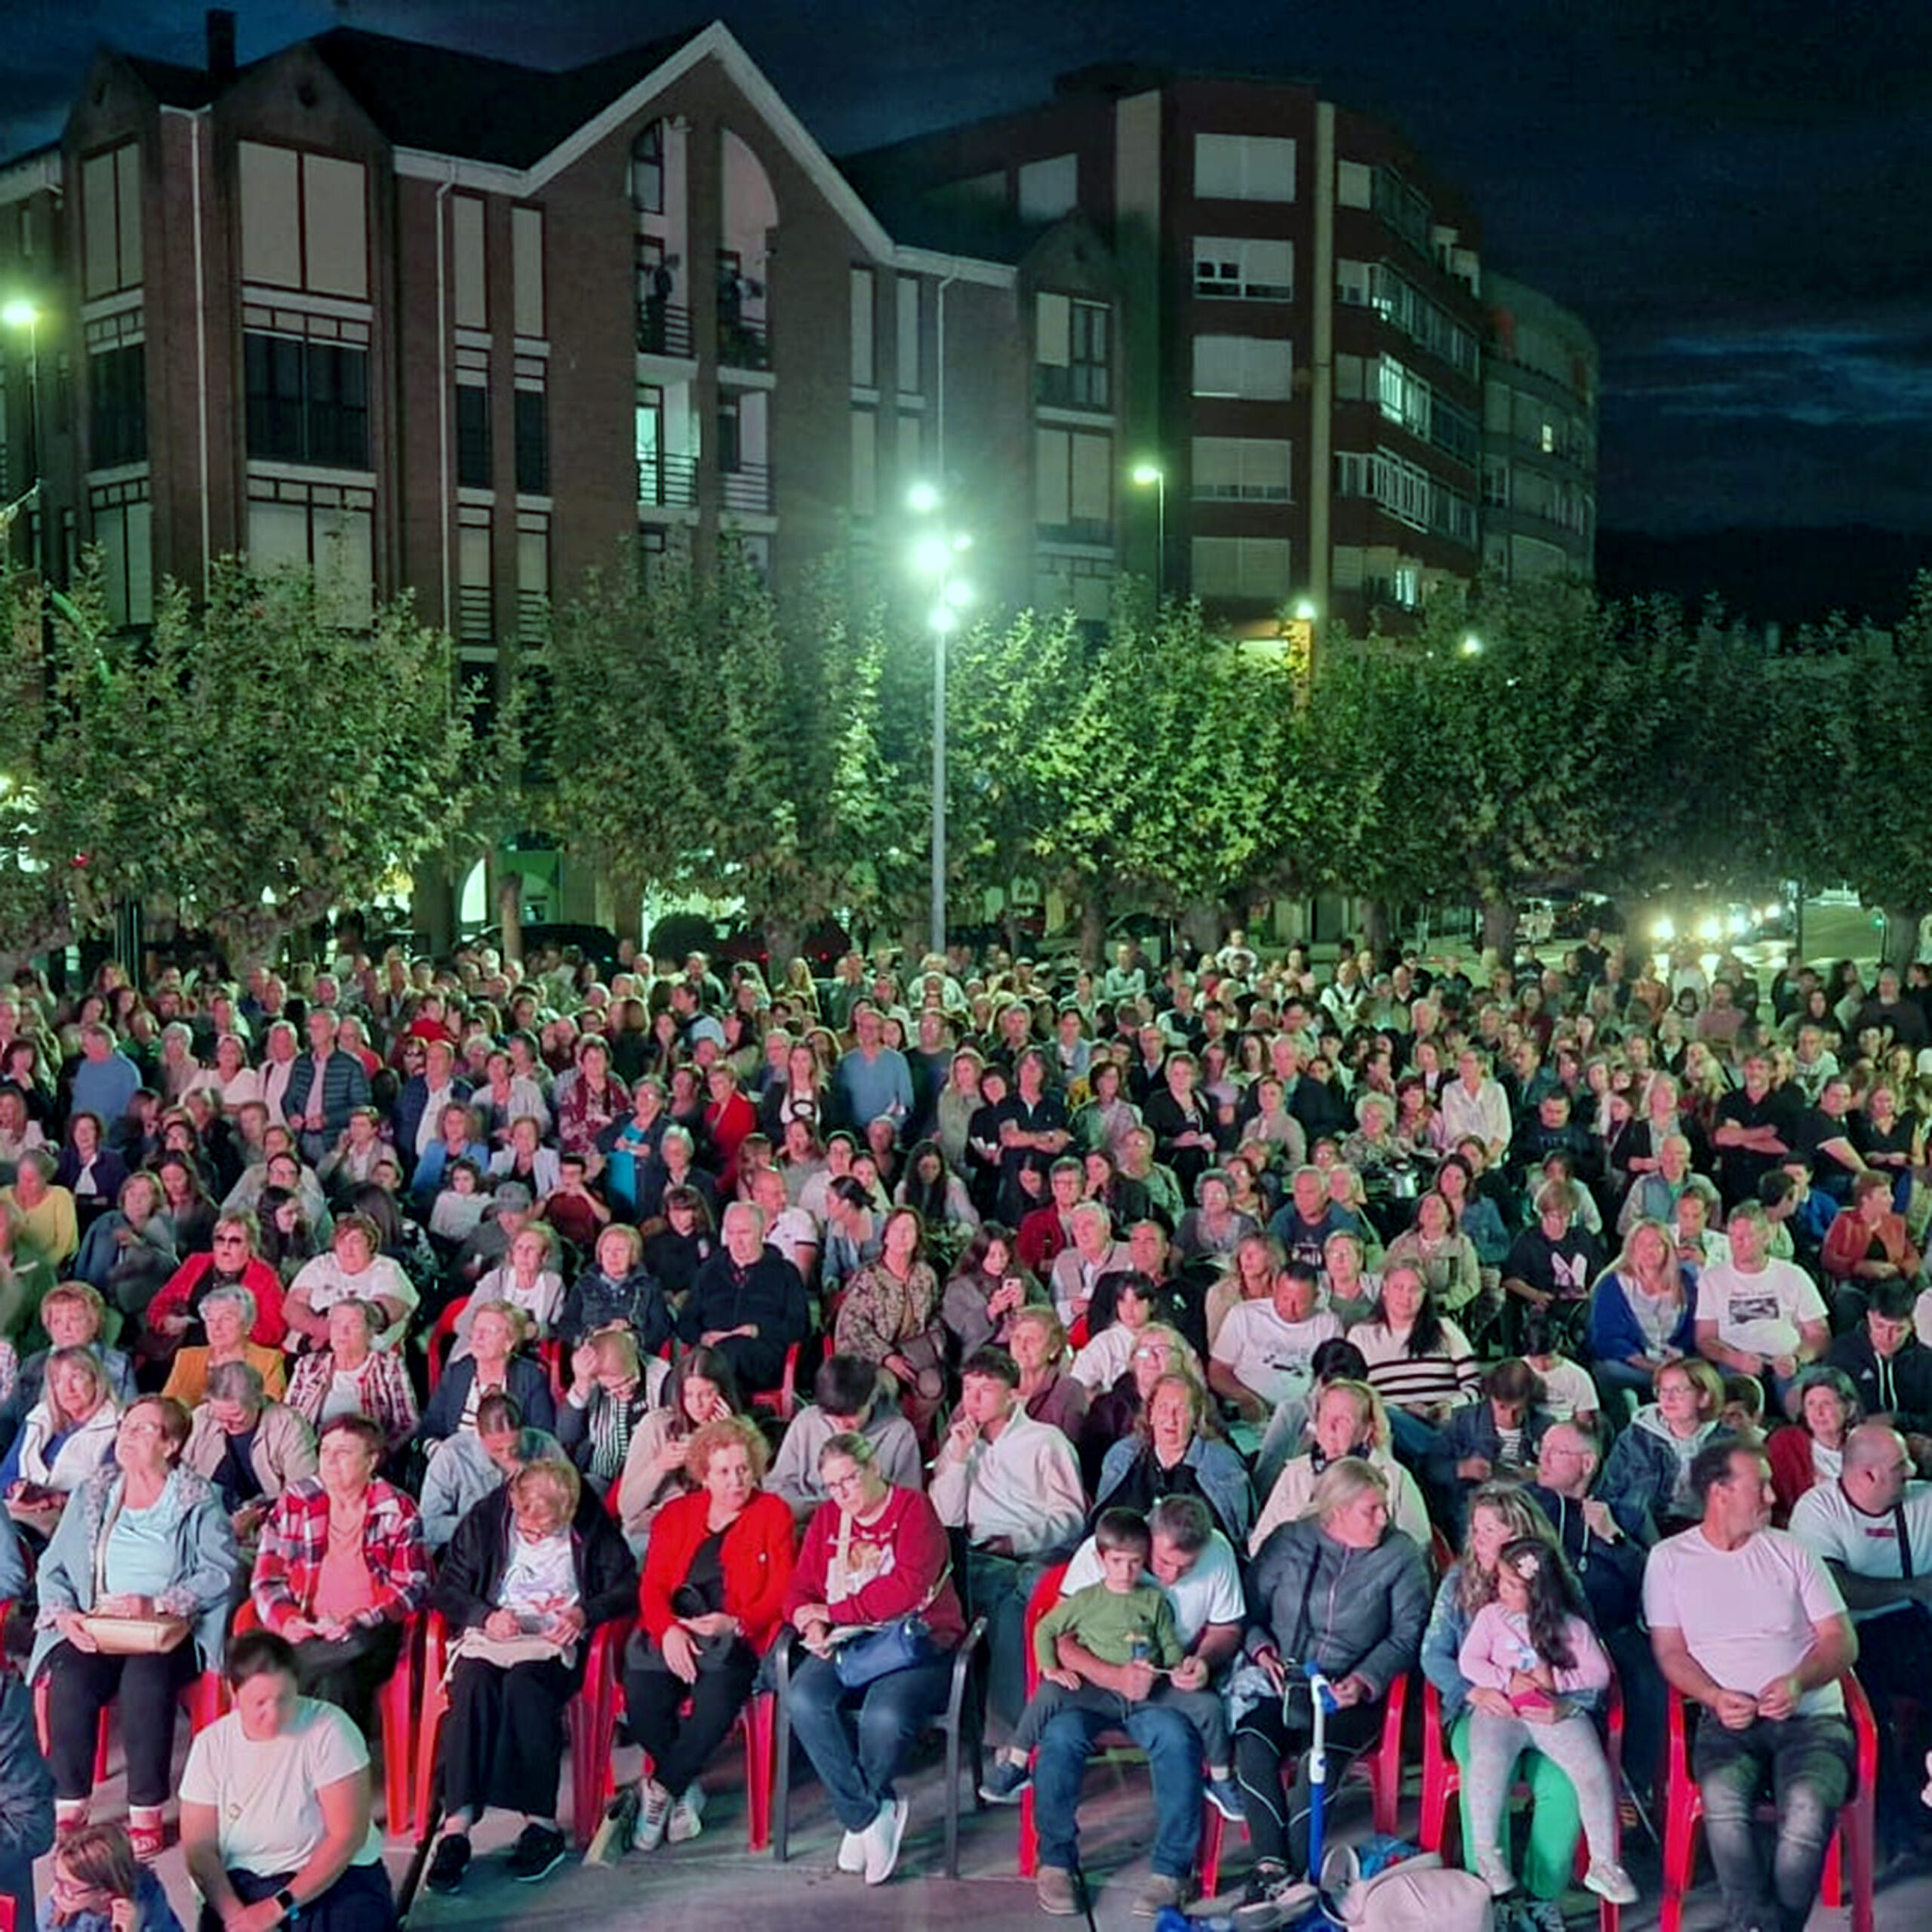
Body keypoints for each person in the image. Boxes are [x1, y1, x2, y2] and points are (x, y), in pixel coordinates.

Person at [1644, 1439, 1858, 1932]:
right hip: (1727, 1719)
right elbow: (1670, 1653)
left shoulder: (1793, 1552)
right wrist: (1714, 1697)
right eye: (1758, 1485)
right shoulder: (1669, 1559)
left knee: (1807, 1805)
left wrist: (1799, 1681)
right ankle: (1762, 1926)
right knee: (1722, 1799)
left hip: (1813, 1719)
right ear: (1719, 1492)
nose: (1770, 1496)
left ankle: (1762, 1928)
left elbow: (1841, 1642)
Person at [29, 1395, 238, 1855]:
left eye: (144, 1429)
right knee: (69, 1677)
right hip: (99, 1622)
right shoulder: (96, 1491)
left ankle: (145, 1811)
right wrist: (66, 1615)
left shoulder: (198, 1498)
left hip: (166, 1627)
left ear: (171, 1444)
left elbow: (222, 1569)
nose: (128, 1436)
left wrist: (159, 1601)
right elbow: (53, 1568)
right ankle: (71, 1804)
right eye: (127, 1427)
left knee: (146, 1680)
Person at [423, 1457, 638, 1893]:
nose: (536, 1536)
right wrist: (484, 1616)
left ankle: (540, 1824)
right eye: (528, 1528)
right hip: (495, 1632)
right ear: (515, 1505)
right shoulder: (487, 1518)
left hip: (551, 1642)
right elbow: (447, 1588)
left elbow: (625, 1585)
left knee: (526, 1688)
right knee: (473, 1687)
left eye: (547, 1531)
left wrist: (584, 1612)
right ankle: (456, 1828)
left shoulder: (589, 1521)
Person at [1236, 1460, 1429, 1902]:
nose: (1384, 1518)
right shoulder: (1289, 1542)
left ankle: (1298, 1878)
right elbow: (1245, 1610)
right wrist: (1261, 1649)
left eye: (1385, 1508)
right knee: (1253, 1741)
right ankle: (1270, 1866)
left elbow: (1408, 1634)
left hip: (1352, 1691)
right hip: (1284, 1679)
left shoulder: (1400, 1555)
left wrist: (1364, 1680)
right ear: (1337, 1511)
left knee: (1316, 1761)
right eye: (1371, 1510)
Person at [781, 1429, 966, 1887]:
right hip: (848, 1640)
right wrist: (811, 1622)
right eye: (832, 1485)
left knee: (883, 1715)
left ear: (875, 1469)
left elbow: (906, 1586)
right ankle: (868, 1813)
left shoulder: (913, 1509)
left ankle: (859, 1816)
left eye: (850, 1479)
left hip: (913, 1643)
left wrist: (834, 1610)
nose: (843, 1493)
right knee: (803, 1696)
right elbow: (800, 1588)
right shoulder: (828, 1520)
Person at [981, 1505, 1241, 1829]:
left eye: (1185, 1568)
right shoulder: (1101, 1563)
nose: (1170, 1577)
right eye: (1162, 1563)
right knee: (1058, 1729)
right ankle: (1020, 1773)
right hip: (1095, 1683)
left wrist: (1191, 1665)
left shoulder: (1158, 1596)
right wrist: (1063, 1669)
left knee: (1183, 1734)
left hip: (1157, 1688)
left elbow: (1213, 1632)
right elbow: (1054, 1633)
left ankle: (1186, 1845)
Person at [621, 1415, 794, 1851]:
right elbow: (653, 1585)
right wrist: (668, 1632)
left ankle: (660, 1788)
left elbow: (783, 1591)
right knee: (643, 1699)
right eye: (723, 1471)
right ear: (704, 1474)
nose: (736, 1481)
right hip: (674, 1631)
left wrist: (735, 1623)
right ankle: (685, 1789)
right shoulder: (677, 1514)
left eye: (743, 1469)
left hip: (734, 1636)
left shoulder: (773, 1512)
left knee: (716, 1701)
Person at [1422, 1484, 1581, 1927]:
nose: (1480, 1539)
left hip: (1545, 1712)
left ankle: (1540, 1895)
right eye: (1476, 1530)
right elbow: (1433, 1655)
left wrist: (1568, 1705)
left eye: (1491, 1529)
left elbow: (1589, 1660)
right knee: (1486, 1775)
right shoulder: (1459, 1581)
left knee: (1565, 1783)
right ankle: (1492, 1896)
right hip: (1483, 1710)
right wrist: (1472, 1691)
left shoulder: (1560, 1584)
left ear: (1522, 1533)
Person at [1457, 1535, 1635, 1903]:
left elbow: (1598, 1674)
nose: (1501, 1590)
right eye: (1502, 1582)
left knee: (1591, 1769)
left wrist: (1558, 1682)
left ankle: (1604, 1862)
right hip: (1503, 1709)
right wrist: (1506, 1680)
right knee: (1487, 1762)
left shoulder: (1570, 1627)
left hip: (1552, 1710)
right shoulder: (1491, 1618)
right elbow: (1469, 1662)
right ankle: (1487, 1852)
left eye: (1512, 1585)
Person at [180, 1629, 394, 1932]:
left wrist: (276, 1908)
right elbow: (199, 1848)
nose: (274, 1713)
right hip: (245, 1881)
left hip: (332, 1877)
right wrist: (236, 1917)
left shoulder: (329, 1729)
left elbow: (347, 1836)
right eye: (260, 1703)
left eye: (284, 1699)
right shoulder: (211, 1745)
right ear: (233, 1690)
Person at [1789, 1423, 1932, 1860]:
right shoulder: (1818, 1509)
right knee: (1871, 1715)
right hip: (1847, 1638)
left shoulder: (1924, 1498)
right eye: (1899, 1465)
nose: (1910, 1470)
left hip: (1915, 1629)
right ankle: (1896, 1826)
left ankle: (1924, 1796)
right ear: (1868, 1475)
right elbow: (1833, 1586)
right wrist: (1911, 1588)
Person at [929, 1347, 1086, 1723]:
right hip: (975, 1556)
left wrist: (1017, 1540)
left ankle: (1012, 1730)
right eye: (967, 1389)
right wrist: (961, 1459)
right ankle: (954, 1717)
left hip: (1032, 1555)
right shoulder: (960, 1442)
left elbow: (1072, 1518)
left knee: (1017, 1595)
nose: (974, 1400)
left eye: (985, 1390)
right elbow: (944, 1517)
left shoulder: (1046, 1441)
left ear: (1013, 1394)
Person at [248, 1415, 431, 1737]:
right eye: (325, 1451)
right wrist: (288, 1620)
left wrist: (359, 1619)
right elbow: (266, 1578)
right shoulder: (295, 1501)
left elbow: (412, 1585)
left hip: (370, 1631)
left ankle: (285, 1682)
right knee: (339, 1680)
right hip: (308, 1630)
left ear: (371, 1460)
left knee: (355, 1643)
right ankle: (339, 1779)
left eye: (344, 1452)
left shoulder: (397, 1508)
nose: (331, 1461)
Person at [1094, 1371, 1252, 1552]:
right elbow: (1103, 1523)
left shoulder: (1223, 1464)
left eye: (1181, 1410)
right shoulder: (1122, 1456)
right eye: (1163, 1408)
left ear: (1196, 1417)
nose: (1171, 1419)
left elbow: (1235, 1539)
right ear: (1151, 1413)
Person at [1694, 1202, 1829, 1408]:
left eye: (1747, 1236)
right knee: (1736, 1400)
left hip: (1787, 1361)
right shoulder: (1712, 1279)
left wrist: (1797, 1358)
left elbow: (1819, 1335)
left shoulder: (1793, 1275)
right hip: (1736, 1362)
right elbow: (1705, 1338)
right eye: (1733, 1236)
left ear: (1765, 1237)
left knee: (1807, 1398)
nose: (1739, 1243)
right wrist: (1734, 1358)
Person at [613, 1346, 745, 1549]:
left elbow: (748, 1503)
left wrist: (725, 1441)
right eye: (689, 1395)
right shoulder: (656, 1425)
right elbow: (627, 1508)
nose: (697, 1404)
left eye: (707, 1394)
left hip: (713, 1530)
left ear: (722, 1394)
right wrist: (659, 1467)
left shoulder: (741, 1432)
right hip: (654, 1528)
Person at [766, 1353, 922, 1524]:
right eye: (833, 1417)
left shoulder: (898, 1433)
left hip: (870, 1526)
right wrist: (820, 1510)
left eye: (851, 1415)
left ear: (872, 1398)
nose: (842, 1425)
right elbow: (777, 1486)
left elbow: (909, 1502)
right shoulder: (807, 1422)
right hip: (809, 1522)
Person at [675, 1201, 811, 1395]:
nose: (737, 1242)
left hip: (764, 1355)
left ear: (762, 1231)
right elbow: (686, 1321)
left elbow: (799, 1326)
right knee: (677, 1376)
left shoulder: (785, 1272)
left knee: (733, 1352)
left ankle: (723, 1418)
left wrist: (756, 1331)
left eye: (744, 1233)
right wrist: (703, 1337)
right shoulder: (709, 1271)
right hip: (711, 1353)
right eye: (731, 1233)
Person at [182, 1361, 318, 1541]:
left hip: (270, 1524)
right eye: (219, 1416)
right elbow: (179, 1477)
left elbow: (305, 1493)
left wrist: (260, 1517)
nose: (226, 1425)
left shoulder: (288, 1424)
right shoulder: (201, 1417)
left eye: (237, 1417)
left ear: (258, 1401)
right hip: (207, 1520)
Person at [282, 1301, 419, 1464]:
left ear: (370, 1333)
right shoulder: (309, 1365)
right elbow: (289, 1420)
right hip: (312, 1457)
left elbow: (408, 1422)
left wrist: (380, 1454)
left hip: (366, 1461)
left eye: (353, 1325)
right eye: (337, 1324)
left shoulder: (388, 1365)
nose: (343, 1332)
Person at [417, 1300, 555, 1444]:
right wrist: (437, 1452)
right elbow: (431, 1425)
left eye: (490, 1331)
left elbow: (542, 1437)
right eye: (476, 1329)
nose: (479, 1337)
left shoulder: (530, 1377)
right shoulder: (457, 1372)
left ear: (509, 1342)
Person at [0, 1349, 119, 1504]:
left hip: (72, 1519)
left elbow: (107, 1494)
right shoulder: (39, 1418)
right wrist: (15, 1488)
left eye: (76, 1377)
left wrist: (55, 1500)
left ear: (96, 1381)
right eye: (57, 1381)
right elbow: (6, 1475)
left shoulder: (116, 1427)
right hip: (20, 1513)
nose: (68, 1389)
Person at [285, 1217, 417, 1354]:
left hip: (367, 1356)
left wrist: (343, 1328)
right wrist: (319, 1327)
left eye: (355, 1241)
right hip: (310, 1350)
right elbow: (292, 1305)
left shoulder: (387, 1268)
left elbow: (388, 1310)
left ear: (370, 1244)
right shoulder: (321, 1264)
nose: (348, 1249)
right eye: (341, 1242)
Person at [1827, 1278, 1932, 1451]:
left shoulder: (1926, 1361)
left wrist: (1896, 1420)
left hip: (1913, 1444)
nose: (1887, 1337)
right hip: (1857, 1443)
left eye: (1898, 1329)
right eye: (1880, 1326)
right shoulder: (1843, 1353)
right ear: (1869, 1317)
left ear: (1912, 1325)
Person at [38, 1820, 179, 1932]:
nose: (55, 1892)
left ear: (105, 1892)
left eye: (69, 1888)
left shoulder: (147, 1897)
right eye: (57, 1880)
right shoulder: (55, 1913)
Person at [161, 1284, 285, 1409]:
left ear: (248, 1324)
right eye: (210, 1320)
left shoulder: (269, 1360)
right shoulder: (187, 1357)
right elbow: (167, 1408)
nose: (216, 1328)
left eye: (226, 1319)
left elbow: (271, 1409)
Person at [1766, 1364, 1861, 1524]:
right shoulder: (1787, 1444)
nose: (1818, 1412)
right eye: (1811, 1404)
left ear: (1849, 1409)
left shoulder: (1865, 1446)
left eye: (1827, 1403)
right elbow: (1776, 1507)